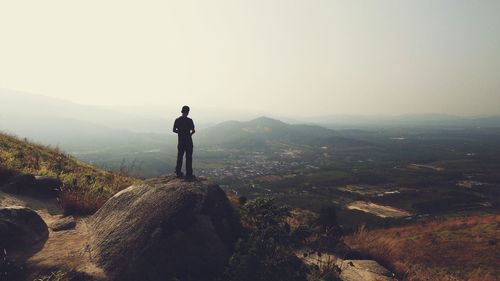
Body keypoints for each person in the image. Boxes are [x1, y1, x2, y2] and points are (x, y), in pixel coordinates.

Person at [173, 105, 195, 179]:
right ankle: (189, 173)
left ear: (181, 111)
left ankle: (178, 172)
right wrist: (189, 134)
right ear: (188, 112)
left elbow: (174, 130)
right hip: (189, 141)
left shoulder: (177, 120)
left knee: (180, 157)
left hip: (181, 141)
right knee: (189, 158)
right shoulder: (190, 120)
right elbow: (193, 130)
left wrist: (180, 132)